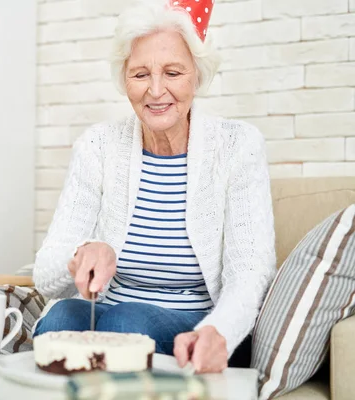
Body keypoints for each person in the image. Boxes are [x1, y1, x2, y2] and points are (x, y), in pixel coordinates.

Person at [31, 0, 277, 374]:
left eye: (173, 72)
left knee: (127, 324)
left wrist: (218, 330)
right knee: (59, 318)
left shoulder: (238, 146)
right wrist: (82, 251)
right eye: (141, 74)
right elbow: (45, 276)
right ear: (124, 78)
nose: (156, 90)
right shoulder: (97, 146)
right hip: (113, 312)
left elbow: (250, 271)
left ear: (197, 74)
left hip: (196, 328)